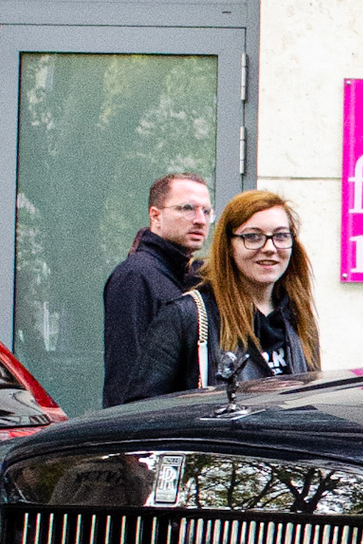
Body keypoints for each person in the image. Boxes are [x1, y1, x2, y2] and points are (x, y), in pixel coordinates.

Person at [129, 189, 320, 398]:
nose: (270, 247)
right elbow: (142, 412)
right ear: (228, 246)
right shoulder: (186, 316)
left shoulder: (297, 316)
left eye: (281, 236)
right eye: (253, 237)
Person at [101, 169, 212, 407]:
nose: (200, 220)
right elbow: (129, 377)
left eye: (206, 211)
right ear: (156, 215)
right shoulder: (136, 276)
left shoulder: (187, 275)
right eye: (187, 208)